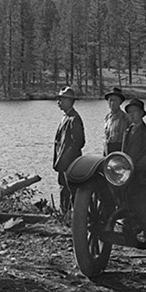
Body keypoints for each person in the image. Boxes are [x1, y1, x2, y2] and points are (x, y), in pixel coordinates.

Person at [52, 86, 85, 214]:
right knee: (63, 189)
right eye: (59, 99)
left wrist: (66, 159)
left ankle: (74, 217)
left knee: (71, 190)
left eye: (61, 99)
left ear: (69, 101)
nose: (58, 102)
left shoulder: (74, 119)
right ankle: (64, 215)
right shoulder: (66, 117)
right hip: (63, 163)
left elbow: (79, 142)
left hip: (70, 163)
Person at [121, 98, 146, 162]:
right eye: (129, 112)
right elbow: (123, 153)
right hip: (127, 167)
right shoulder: (127, 131)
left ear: (141, 113)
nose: (131, 114)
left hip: (141, 168)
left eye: (134, 111)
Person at [103, 86, 129, 155]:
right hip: (107, 150)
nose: (112, 103)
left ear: (120, 102)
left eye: (115, 100)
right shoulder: (107, 118)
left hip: (119, 150)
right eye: (110, 100)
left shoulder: (125, 118)